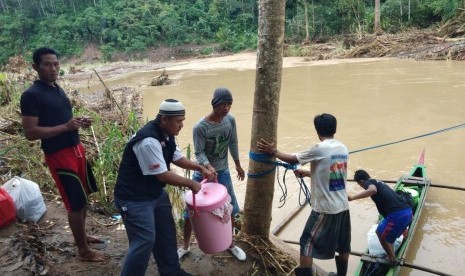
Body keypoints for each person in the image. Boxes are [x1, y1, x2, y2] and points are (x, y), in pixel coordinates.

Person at [20, 47, 106, 262]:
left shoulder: (56, 88)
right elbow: (31, 132)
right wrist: (66, 127)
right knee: (74, 202)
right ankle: (83, 251)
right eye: (47, 64)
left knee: (83, 197)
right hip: (59, 154)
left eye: (56, 64)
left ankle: (83, 237)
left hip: (76, 149)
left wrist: (77, 123)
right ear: (35, 67)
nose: (53, 68)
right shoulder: (31, 95)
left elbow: (61, 120)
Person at [114, 99, 215, 276]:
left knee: (166, 234)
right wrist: (191, 183)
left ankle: (171, 272)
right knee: (144, 240)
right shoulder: (148, 140)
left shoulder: (167, 135)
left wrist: (200, 167)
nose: (181, 125)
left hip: (154, 193)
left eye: (182, 120)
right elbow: (162, 174)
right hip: (133, 197)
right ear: (164, 119)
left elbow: (176, 158)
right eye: (178, 121)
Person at [257, 113, 350, 276]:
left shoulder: (319, 148)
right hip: (343, 206)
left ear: (317, 130)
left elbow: (293, 159)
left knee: (307, 242)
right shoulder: (343, 148)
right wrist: (307, 174)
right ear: (335, 128)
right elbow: (331, 173)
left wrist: (273, 151)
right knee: (343, 244)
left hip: (325, 208)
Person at [177, 87, 246, 261]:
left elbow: (233, 143)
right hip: (202, 174)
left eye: (229, 104)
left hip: (223, 171)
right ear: (214, 104)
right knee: (191, 211)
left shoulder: (230, 120)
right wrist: (207, 166)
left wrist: (237, 165)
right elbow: (199, 152)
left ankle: (231, 244)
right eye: (223, 104)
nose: (226, 108)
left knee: (230, 208)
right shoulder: (200, 127)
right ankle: (185, 246)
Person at [350, 169, 413, 263]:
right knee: (387, 228)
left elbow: (372, 190)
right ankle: (404, 240)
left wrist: (352, 198)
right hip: (408, 212)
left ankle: (392, 259)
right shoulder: (378, 182)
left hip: (397, 215)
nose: (362, 187)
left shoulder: (369, 182)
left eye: (360, 185)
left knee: (380, 234)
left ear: (361, 181)